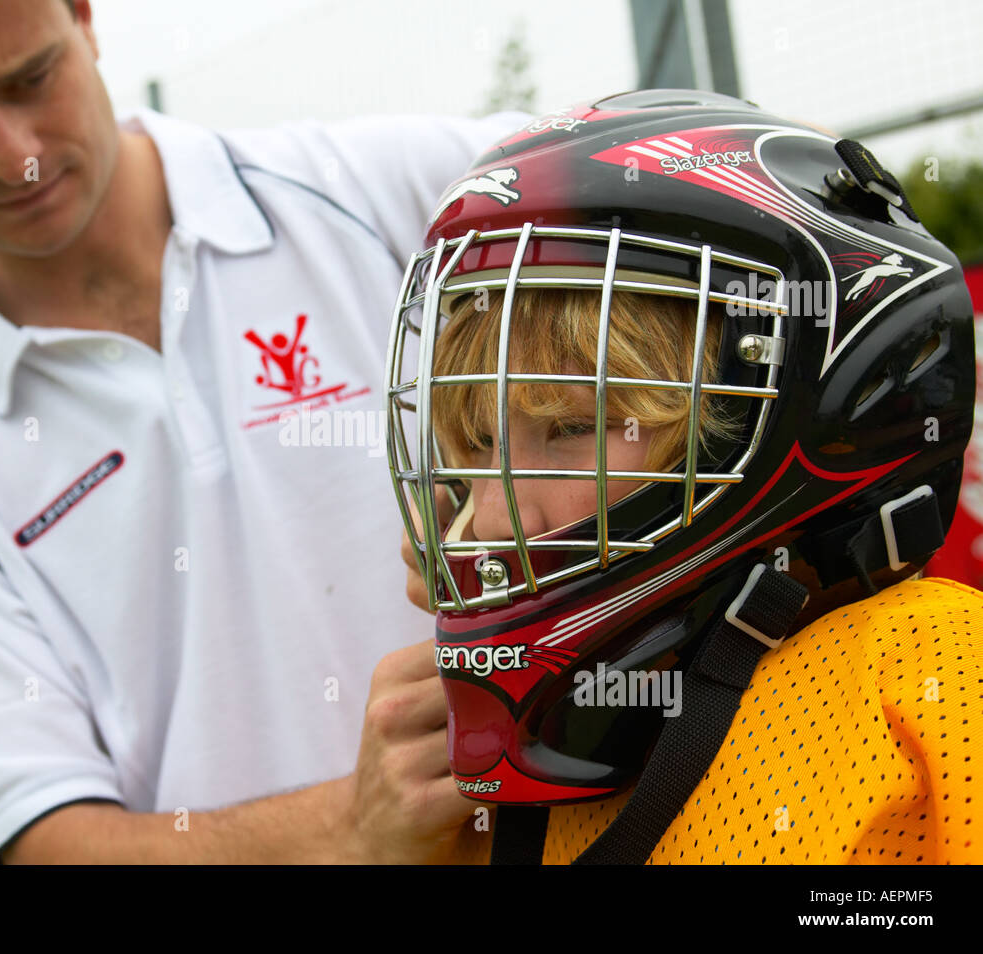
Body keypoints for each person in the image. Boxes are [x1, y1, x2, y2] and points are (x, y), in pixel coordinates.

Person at [0, 0, 529, 863]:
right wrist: (356, 826)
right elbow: (42, 837)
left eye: (30, 78)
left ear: (84, 15)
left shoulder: (398, 193)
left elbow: (695, 189)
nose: (12, 154)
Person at [389, 90, 982, 864]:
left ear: (772, 421)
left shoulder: (932, 676)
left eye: (573, 427)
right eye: (476, 442)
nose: (495, 520)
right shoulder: (517, 778)